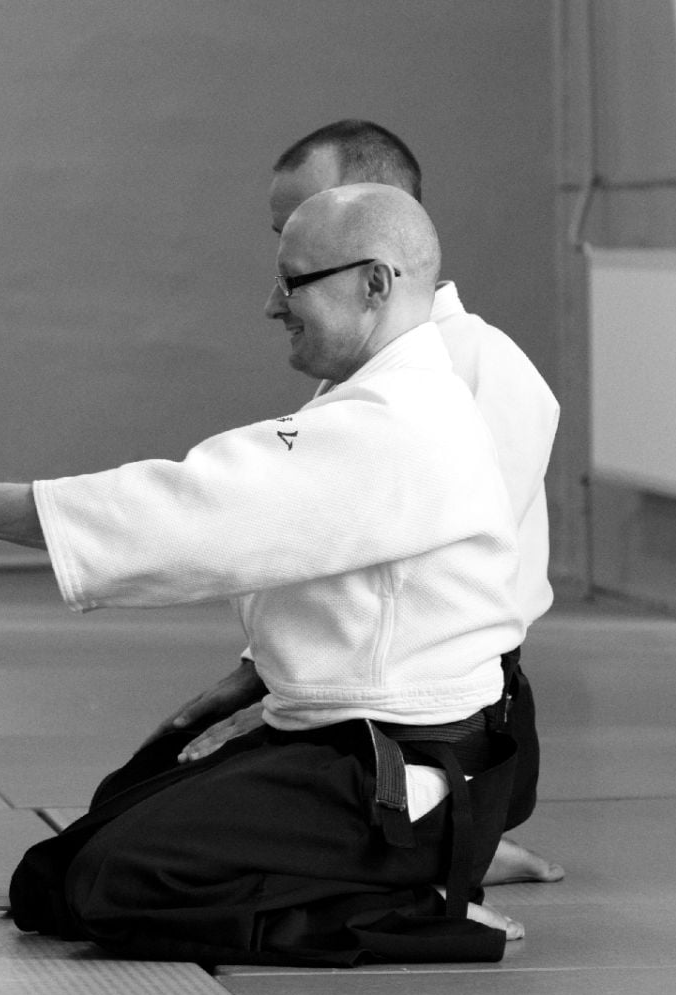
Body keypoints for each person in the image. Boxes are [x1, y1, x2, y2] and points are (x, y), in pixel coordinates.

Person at [0, 184, 530, 966]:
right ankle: (379, 878)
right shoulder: (371, 404)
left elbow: (200, 510)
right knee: (49, 882)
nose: (271, 305)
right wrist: (253, 685)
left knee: (108, 886)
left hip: (401, 776)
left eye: (292, 283)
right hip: (327, 734)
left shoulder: (402, 422)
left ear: (375, 283)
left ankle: (414, 907)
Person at [157, 120, 562, 887]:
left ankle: (446, 840)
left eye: (309, 223)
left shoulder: (480, 369)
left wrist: (285, 708)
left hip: (446, 714)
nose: (289, 255)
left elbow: (442, 596)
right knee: (140, 789)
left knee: (146, 859)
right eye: (282, 233)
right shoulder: (366, 371)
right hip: (352, 694)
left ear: (382, 228)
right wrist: (257, 672)